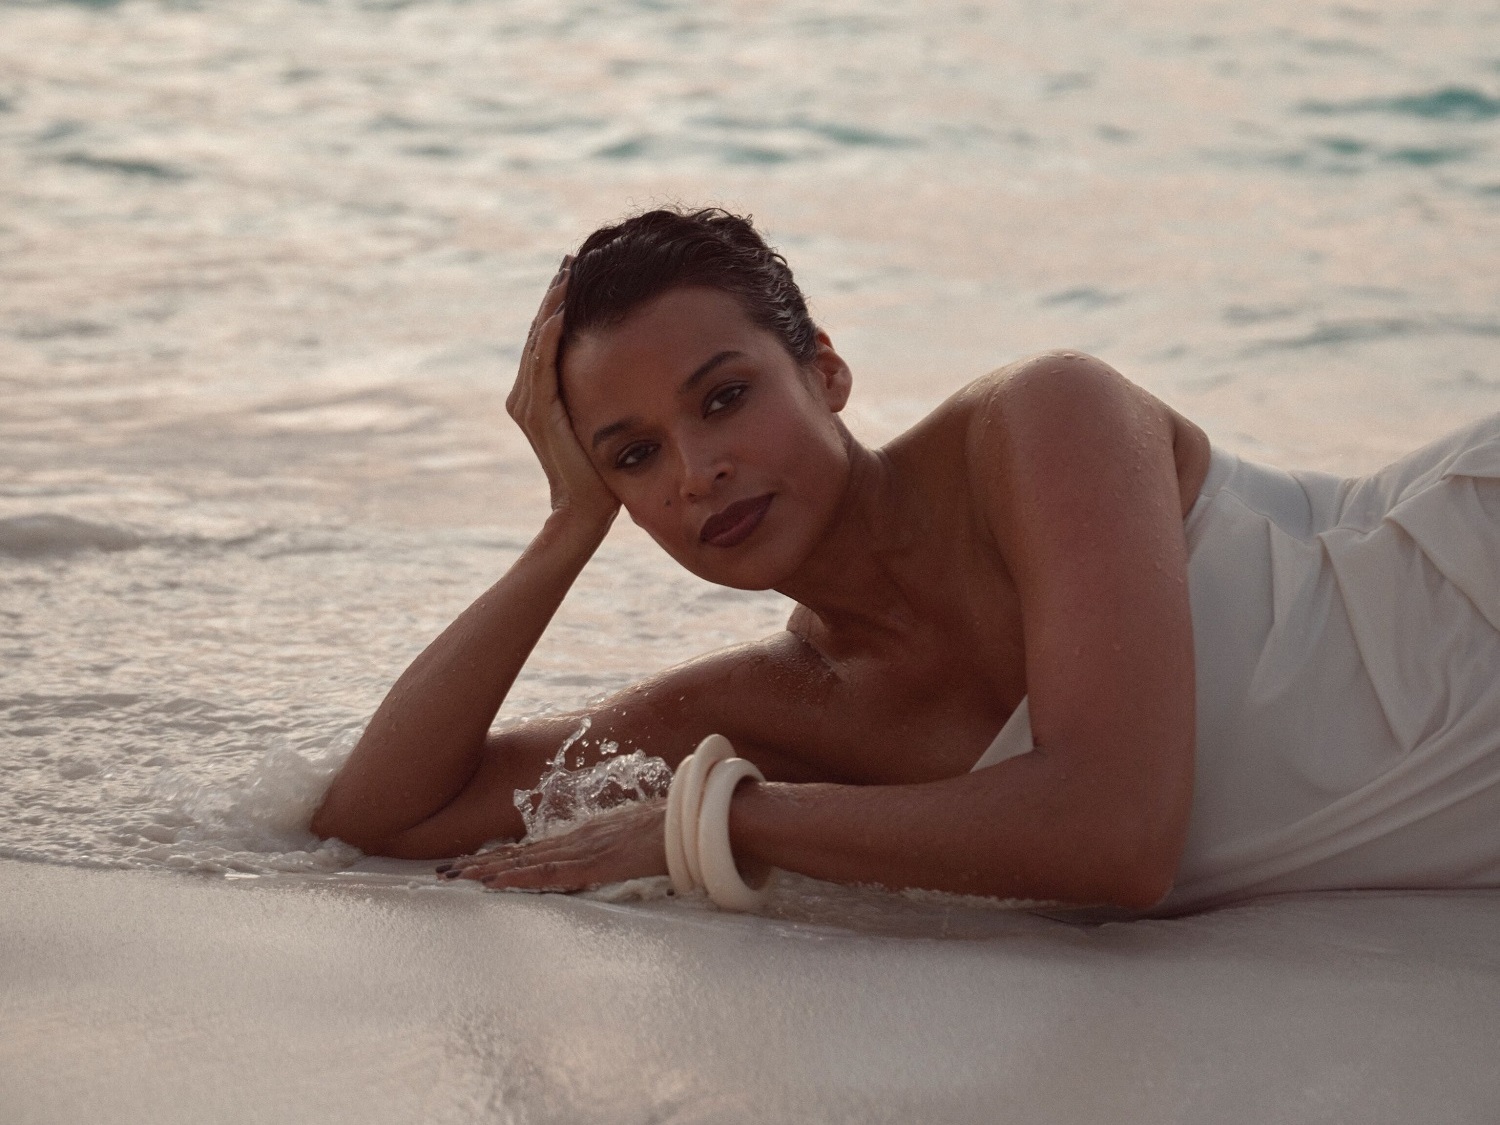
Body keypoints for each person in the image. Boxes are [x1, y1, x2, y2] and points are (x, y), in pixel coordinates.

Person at [310, 207, 1500, 916]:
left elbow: (1116, 835)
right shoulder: (777, 708)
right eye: (633, 456)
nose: (696, 472)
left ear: (823, 370)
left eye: (725, 398)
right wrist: (566, 526)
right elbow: (380, 819)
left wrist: (724, 821)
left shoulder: (1044, 423)